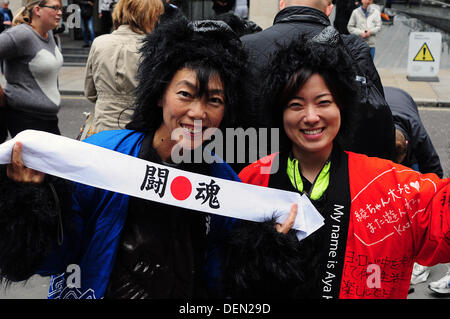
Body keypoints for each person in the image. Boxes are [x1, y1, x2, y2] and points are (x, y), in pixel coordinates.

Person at [0, 14, 253, 299]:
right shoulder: (101, 156)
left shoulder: (223, 179)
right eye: (185, 94)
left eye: (214, 100)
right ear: (160, 94)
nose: (198, 112)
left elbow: (220, 276)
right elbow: (56, 258)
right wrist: (29, 204)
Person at [222, 31, 450, 299]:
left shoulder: (390, 185)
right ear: (279, 113)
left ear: (342, 107)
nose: (311, 116)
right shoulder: (253, 180)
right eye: (296, 105)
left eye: (324, 102)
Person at [240, 0, 395, 165]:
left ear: (282, 4)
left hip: (251, 169)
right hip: (329, 170)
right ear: (329, 9)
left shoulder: (245, 46)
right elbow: (376, 119)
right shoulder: (349, 49)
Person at [83, 0, 166, 138]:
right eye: (157, 16)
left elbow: (90, 93)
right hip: (138, 133)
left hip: (102, 130)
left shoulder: (99, 43)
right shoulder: (155, 49)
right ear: (151, 16)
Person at [0, 0, 63, 143]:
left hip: (49, 118)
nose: (59, 12)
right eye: (54, 8)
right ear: (37, 10)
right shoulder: (21, 35)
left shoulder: (49, 33)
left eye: (61, 8)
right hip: (26, 119)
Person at [384, 86, 443, 178]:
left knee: (415, 169)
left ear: (407, 144)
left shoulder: (418, 134)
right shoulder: (371, 132)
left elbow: (434, 170)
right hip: (380, 94)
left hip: (403, 98)